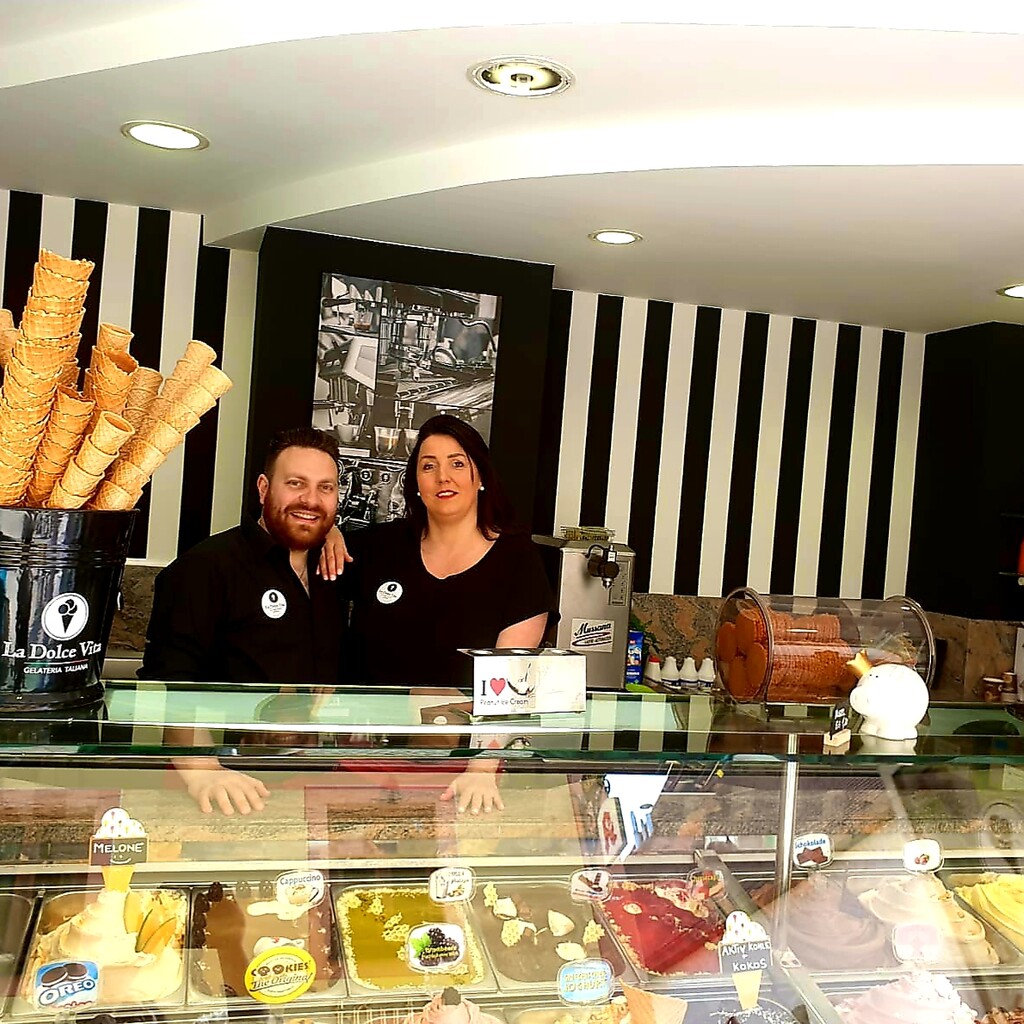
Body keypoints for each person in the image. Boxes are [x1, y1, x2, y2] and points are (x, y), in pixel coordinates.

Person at [320, 414, 558, 813]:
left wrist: (482, 768)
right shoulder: (381, 547)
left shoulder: (518, 560)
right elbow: (307, 555)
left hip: (462, 768)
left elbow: (510, 683)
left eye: (457, 463)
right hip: (365, 759)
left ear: (480, 476)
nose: (443, 477)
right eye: (428, 466)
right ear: (415, 482)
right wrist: (329, 531)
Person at [140, 427, 345, 816]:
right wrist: (203, 771)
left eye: (325, 488)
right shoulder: (206, 567)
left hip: (311, 779)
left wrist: (333, 531)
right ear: (264, 488)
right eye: (296, 484)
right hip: (222, 785)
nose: (311, 500)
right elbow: (169, 684)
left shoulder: (333, 570)